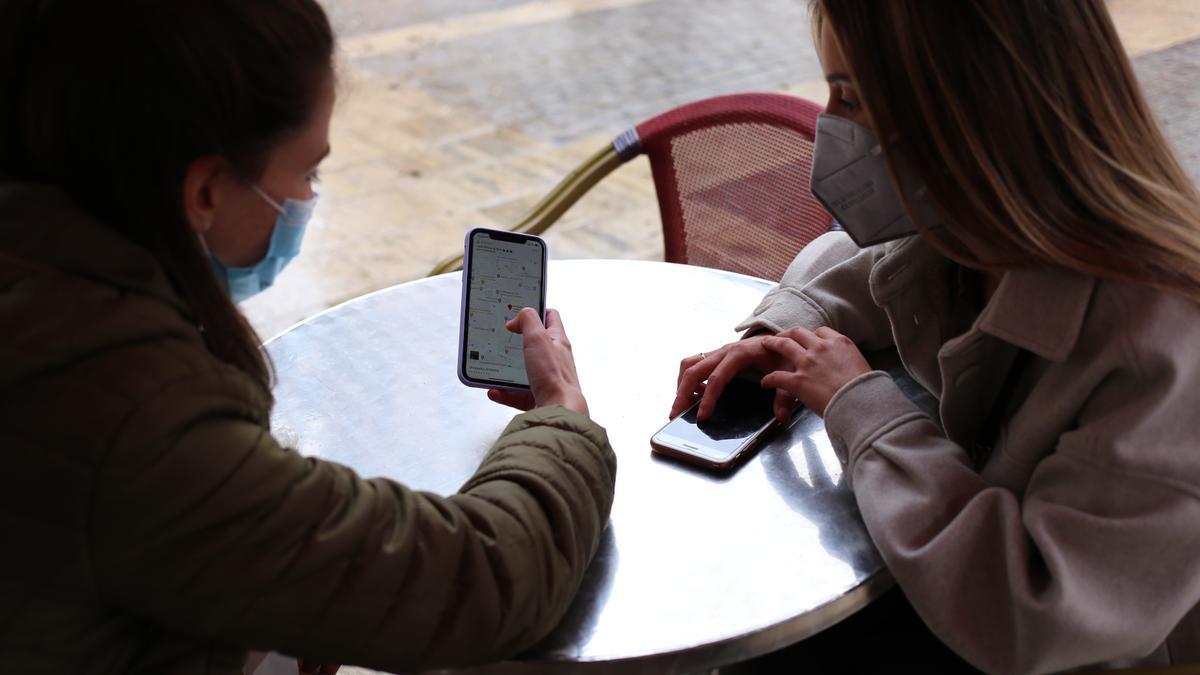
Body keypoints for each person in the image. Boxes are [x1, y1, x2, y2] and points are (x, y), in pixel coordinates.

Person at [0, 1, 616, 674]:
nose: (307, 200)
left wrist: (288, 600)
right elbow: (476, 575)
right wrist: (561, 418)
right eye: (306, 172)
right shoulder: (134, 409)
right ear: (204, 190)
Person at [675, 1, 1200, 672]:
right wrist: (788, 328)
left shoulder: (1164, 347)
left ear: (971, 107)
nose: (831, 124)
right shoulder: (977, 227)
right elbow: (859, 263)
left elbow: (1031, 617)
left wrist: (862, 406)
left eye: (851, 94)